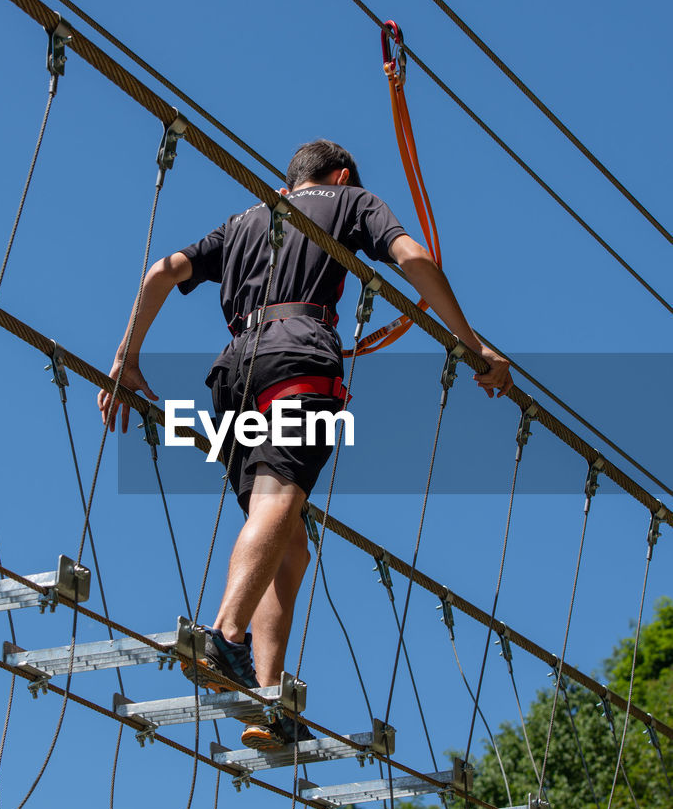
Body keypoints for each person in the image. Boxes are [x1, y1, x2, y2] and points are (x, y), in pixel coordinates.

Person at [98, 139, 511, 751]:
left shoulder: (244, 218)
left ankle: (264, 696)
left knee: (289, 544)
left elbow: (162, 271)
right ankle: (225, 635)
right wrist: (473, 343)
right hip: (299, 359)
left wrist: (125, 357)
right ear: (340, 174)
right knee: (282, 500)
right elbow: (413, 258)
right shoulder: (353, 200)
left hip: (234, 374)